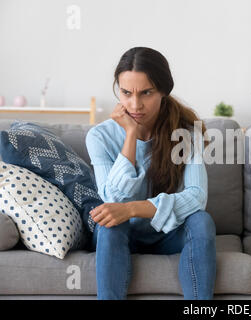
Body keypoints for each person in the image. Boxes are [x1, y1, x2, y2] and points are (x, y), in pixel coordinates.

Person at [85, 47, 216, 300]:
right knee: (110, 224)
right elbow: (113, 199)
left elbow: (197, 197)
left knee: (202, 221)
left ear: (163, 91)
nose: (135, 105)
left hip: (168, 231)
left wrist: (133, 209)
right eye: (126, 93)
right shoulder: (99, 136)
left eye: (146, 93)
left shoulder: (186, 134)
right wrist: (131, 135)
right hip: (122, 234)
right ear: (118, 91)